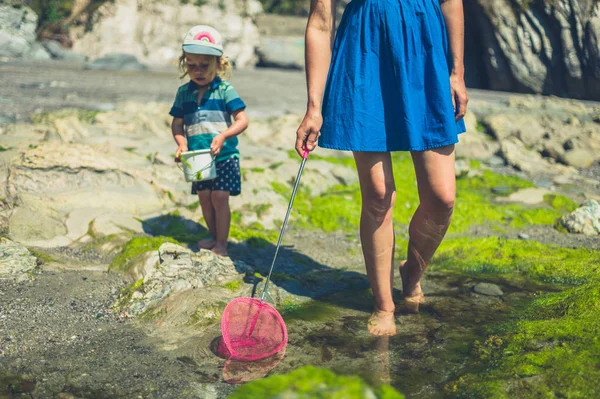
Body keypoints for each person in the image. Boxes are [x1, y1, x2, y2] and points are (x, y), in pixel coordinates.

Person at [296, 0, 468, 336]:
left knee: (442, 197)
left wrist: (457, 71)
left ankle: (412, 273)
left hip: (425, 52)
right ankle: (383, 303)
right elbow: (320, 22)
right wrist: (314, 108)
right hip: (364, 54)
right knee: (378, 194)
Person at [170, 25, 249, 257]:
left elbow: (242, 120)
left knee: (219, 196)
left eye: (204, 65)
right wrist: (181, 144)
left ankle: (222, 243)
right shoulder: (183, 93)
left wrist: (224, 135)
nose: (198, 71)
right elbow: (177, 123)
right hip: (197, 156)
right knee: (205, 199)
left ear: (219, 64)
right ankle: (214, 237)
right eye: (191, 65)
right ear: (185, 64)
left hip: (224, 155)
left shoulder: (225, 90)